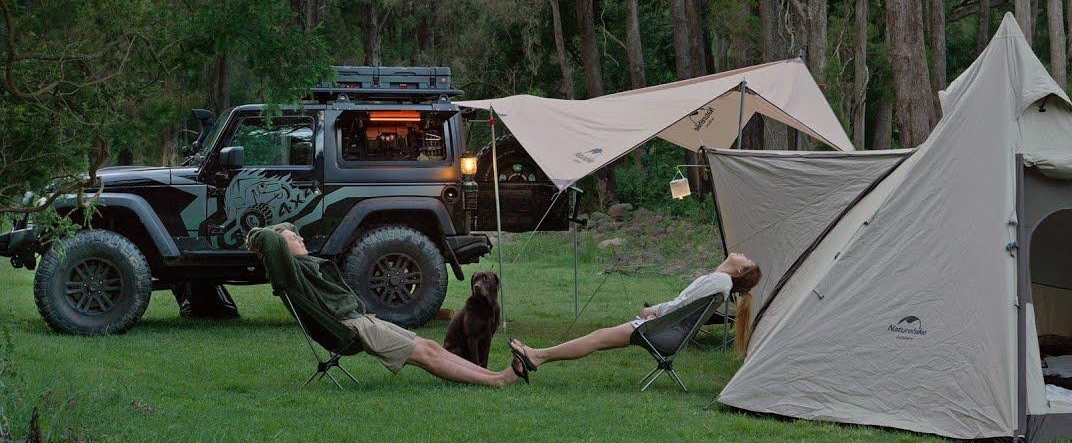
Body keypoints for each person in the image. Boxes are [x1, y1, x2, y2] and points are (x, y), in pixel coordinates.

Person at [246, 223, 528, 387]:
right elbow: (268, 238)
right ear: (281, 249)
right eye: (293, 239)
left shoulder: (302, 263)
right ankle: (497, 381)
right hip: (350, 327)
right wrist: (258, 236)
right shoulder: (290, 272)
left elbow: (284, 234)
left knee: (429, 345)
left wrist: (287, 231)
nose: (300, 237)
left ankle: (489, 373)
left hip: (360, 319)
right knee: (423, 354)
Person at [511, 252, 762, 370]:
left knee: (597, 338)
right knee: (599, 336)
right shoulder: (720, 281)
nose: (741, 254)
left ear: (740, 271)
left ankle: (536, 356)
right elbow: (685, 305)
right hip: (667, 329)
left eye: (745, 259)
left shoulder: (719, 282)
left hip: (663, 331)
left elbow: (681, 305)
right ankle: (537, 357)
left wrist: (653, 310)